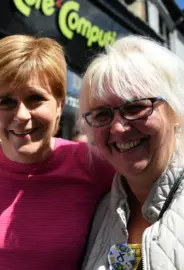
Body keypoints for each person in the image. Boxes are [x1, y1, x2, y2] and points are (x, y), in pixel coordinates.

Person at [0, 34, 115, 269]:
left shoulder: (92, 165)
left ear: (59, 105)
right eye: (6, 102)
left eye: (35, 98)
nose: (21, 115)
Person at [80, 36, 184, 270]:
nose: (117, 127)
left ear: (175, 112)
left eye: (136, 107)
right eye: (102, 114)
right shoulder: (101, 211)